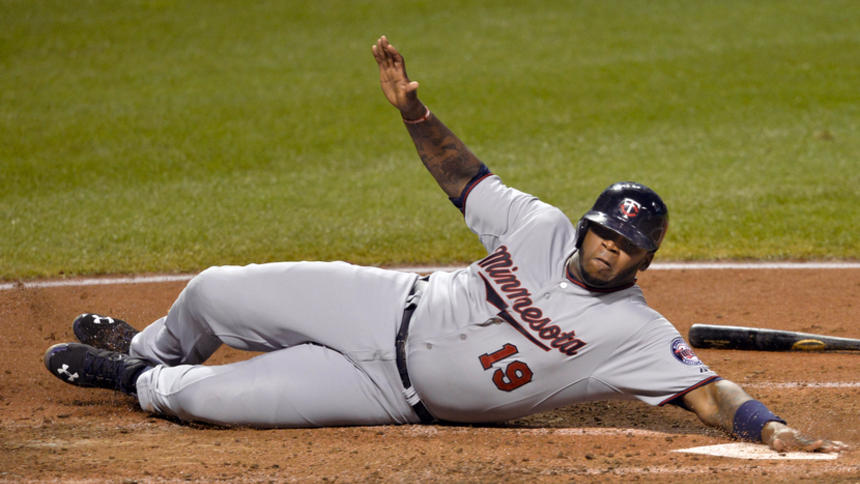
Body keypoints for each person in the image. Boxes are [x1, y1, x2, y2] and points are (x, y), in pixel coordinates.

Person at [43, 35, 845, 454]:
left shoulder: (634, 335)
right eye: (604, 231)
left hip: (392, 400)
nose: (607, 249)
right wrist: (414, 116)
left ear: (643, 260)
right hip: (383, 303)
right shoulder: (537, 226)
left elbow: (708, 392)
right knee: (217, 288)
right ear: (588, 223)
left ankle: (134, 380)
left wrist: (767, 427)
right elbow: (465, 178)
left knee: (203, 401)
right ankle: (145, 346)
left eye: (625, 245)